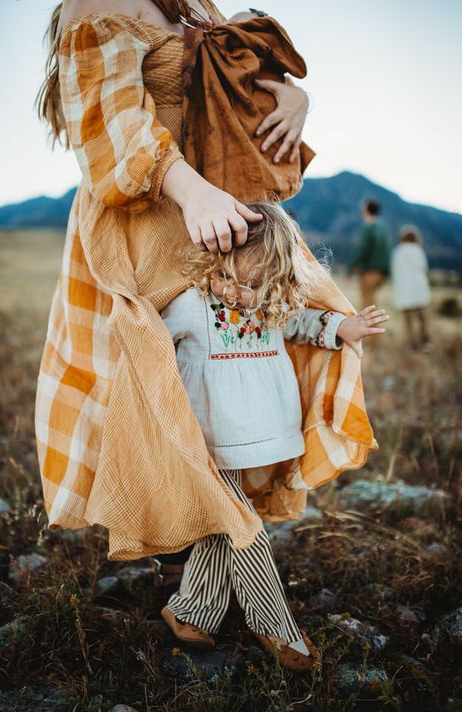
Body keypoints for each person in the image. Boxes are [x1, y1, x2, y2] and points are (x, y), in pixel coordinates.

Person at [34, 0, 380, 672]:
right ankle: (268, 616)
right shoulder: (98, 6)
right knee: (188, 426)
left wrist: (294, 98)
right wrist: (190, 195)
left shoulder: (192, 4)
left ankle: (192, 607)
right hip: (157, 230)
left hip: (229, 226)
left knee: (230, 423)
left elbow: (226, 91)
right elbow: (111, 126)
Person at [158, 201, 388, 669]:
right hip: (207, 435)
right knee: (244, 526)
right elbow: (150, 341)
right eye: (235, 278)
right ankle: (272, 622)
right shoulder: (191, 303)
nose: (244, 293)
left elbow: (301, 323)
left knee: (224, 524)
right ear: (217, 260)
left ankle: (190, 613)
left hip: (254, 429)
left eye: (259, 283)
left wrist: (343, 325)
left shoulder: (267, 303)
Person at [391, 225, 431, 349]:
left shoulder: (397, 251)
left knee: (408, 318)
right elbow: (424, 268)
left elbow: (395, 271)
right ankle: (425, 340)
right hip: (419, 287)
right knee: (422, 316)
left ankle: (412, 343)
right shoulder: (418, 250)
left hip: (404, 289)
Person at [350, 198, 391, 310]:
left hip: (369, 270)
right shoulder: (383, 226)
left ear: (366, 210)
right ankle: (374, 326)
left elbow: (363, 250)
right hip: (381, 271)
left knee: (366, 303)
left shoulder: (369, 227)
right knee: (372, 300)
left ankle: (370, 327)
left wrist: (350, 267)